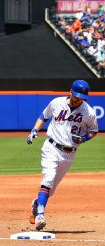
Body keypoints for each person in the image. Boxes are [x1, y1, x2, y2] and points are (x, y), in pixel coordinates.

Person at [26, 80, 98, 231]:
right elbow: (43, 116)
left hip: (69, 154)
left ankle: (36, 203)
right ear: (70, 91)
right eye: (76, 95)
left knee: (51, 189)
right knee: (48, 177)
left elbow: (94, 131)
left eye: (81, 97)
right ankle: (40, 216)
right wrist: (34, 130)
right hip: (51, 147)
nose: (77, 99)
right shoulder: (57, 102)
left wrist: (84, 138)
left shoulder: (89, 112)